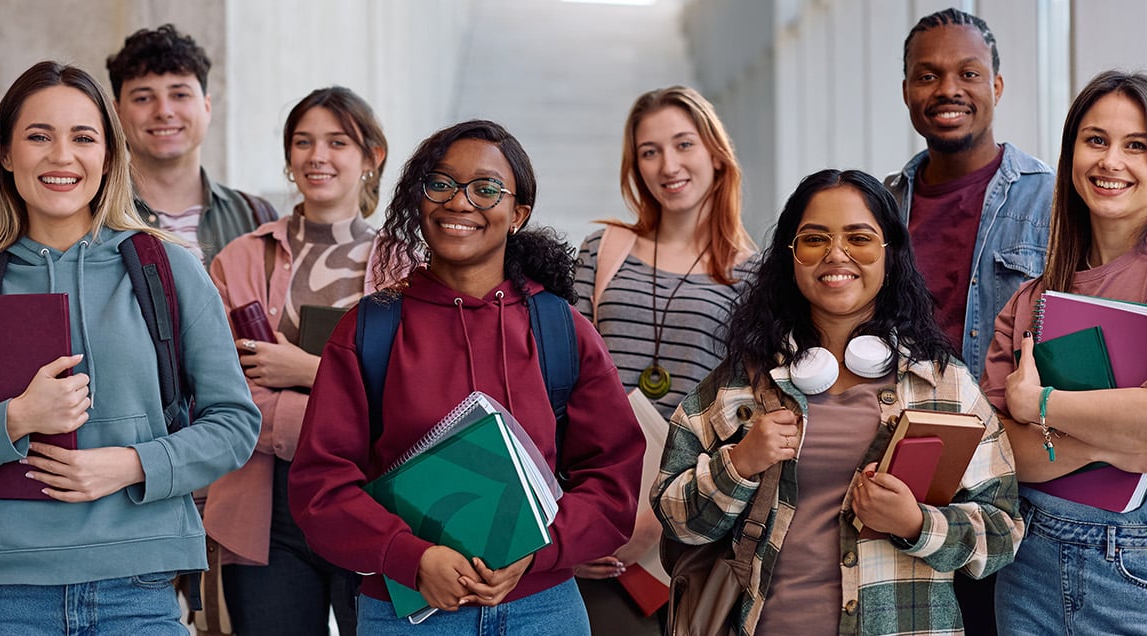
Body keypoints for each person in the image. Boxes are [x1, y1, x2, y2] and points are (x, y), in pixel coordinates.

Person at [0, 61, 260, 634]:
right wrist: (14, 419)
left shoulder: (169, 270)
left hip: (140, 590)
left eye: (83, 137)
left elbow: (233, 424)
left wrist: (130, 464)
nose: (62, 156)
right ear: (6, 154)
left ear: (109, 155)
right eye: (39, 136)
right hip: (2, 595)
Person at [287, 119, 644, 634]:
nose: (459, 202)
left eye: (486, 189)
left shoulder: (562, 331)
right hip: (406, 615)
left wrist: (541, 548)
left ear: (517, 213)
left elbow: (613, 478)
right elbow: (321, 486)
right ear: (419, 199)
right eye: (441, 184)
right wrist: (410, 556)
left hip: (542, 610)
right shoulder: (370, 330)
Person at [653, 169, 1022, 636]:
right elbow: (674, 518)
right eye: (814, 239)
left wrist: (915, 524)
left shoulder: (943, 385)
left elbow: (1004, 528)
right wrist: (741, 464)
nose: (836, 255)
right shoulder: (738, 387)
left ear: (889, 255)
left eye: (859, 238)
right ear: (791, 256)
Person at [982, 71, 1147, 636]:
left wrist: (1039, 404)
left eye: (1136, 145)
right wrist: (1111, 447)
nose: (1110, 161)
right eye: (1095, 140)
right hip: (1030, 569)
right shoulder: (1031, 299)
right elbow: (999, 460)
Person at [571, 85, 757, 634]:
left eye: (683, 144)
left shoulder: (752, 276)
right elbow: (559, 385)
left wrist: (663, 516)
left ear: (715, 154)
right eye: (650, 151)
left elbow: (746, 412)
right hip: (597, 497)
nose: (668, 165)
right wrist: (570, 514)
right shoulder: (601, 251)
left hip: (692, 510)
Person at [888, 12, 1053, 627]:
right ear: (907, 90)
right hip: (909, 481)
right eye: (927, 76)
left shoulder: (1053, 203)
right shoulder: (884, 206)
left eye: (968, 73)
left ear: (997, 87)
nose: (947, 90)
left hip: (1020, 488)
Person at [206, 86, 390, 636]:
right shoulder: (238, 260)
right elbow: (222, 393)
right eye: (303, 142)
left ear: (371, 156)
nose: (318, 156)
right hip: (267, 514)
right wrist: (349, 406)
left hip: (378, 505)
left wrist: (309, 371)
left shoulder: (409, 266)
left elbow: (419, 400)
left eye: (337, 141)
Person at [107, 23, 278, 266]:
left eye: (180, 95)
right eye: (143, 98)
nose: (164, 112)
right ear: (117, 113)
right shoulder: (93, 216)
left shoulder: (255, 217)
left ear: (207, 106)